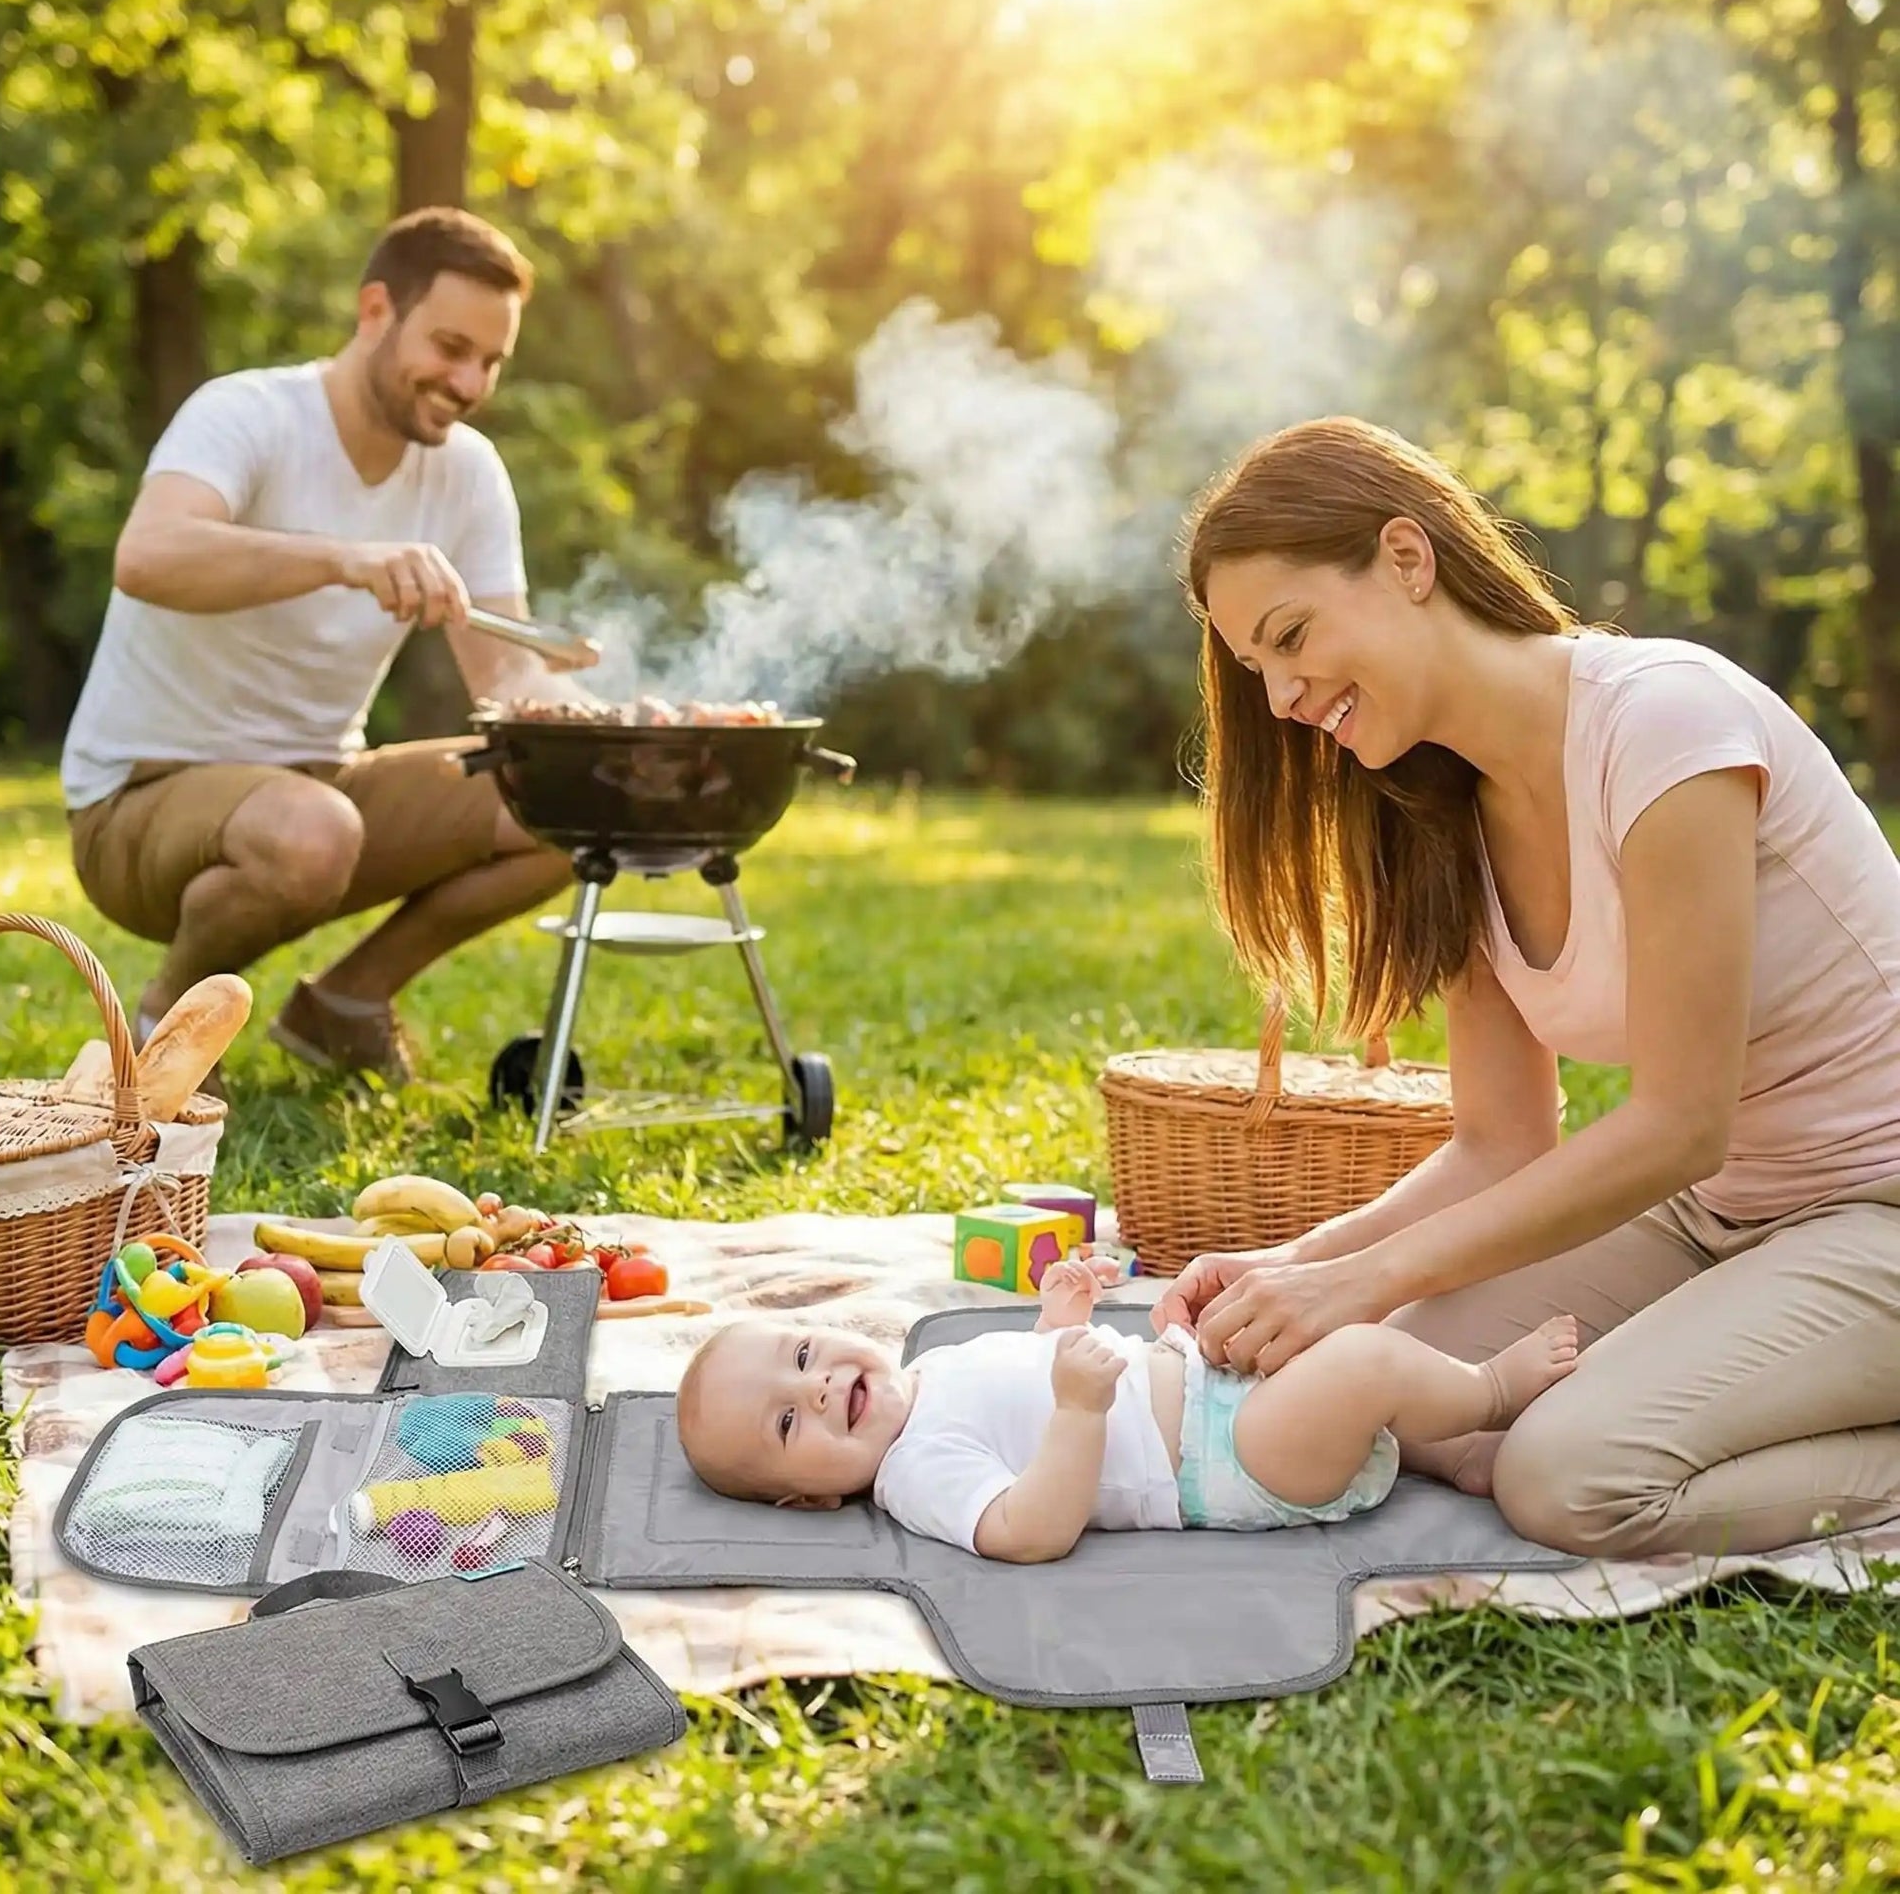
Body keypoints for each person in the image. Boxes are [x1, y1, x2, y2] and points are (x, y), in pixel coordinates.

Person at [1152, 415, 1900, 1560]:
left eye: (1289, 636)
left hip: (1873, 1212)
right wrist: (1295, 1266)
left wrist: (1366, 1275)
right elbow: (1500, 1142)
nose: (1283, 697)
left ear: (1406, 558)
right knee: (1398, 1388)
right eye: (1257, 671)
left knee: (1563, 1477)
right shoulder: (1438, 811)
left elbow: (1679, 1125)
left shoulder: (1663, 724)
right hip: (1721, 1215)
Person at [61, 207, 596, 1084]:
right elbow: (148, 556)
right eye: (450, 347)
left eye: (491, 361)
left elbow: (508, 678)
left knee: (570, 802)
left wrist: (604, 728)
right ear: (376, 310)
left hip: (318, 789)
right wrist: (345, 560)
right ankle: (165, 1030)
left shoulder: (468, 472)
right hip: (139, 799)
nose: (468, 382)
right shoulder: (247, 412)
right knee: (312, 831)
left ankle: (345, 1004)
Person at [674, 1258, 1579, 1561]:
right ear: (809, 1498)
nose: (815, 1387)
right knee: (1358, 1363)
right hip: (1230, 1462)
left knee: (1303, 1332)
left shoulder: (930, 1368)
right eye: (787, 1423)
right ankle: (1491, 1390)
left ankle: (1450, 1450)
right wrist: (1078, 1411)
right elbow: (1028, 1530)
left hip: (1219, 1398)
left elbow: (1027, 1382)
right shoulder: (914, 1473)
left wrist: (1060, 1319)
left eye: (803, 1355)